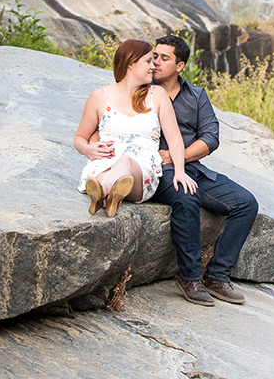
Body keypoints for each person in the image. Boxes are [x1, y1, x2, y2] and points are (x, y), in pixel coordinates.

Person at [150, 35, 259, 307]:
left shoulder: (196, 95)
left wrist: (178, 157)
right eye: (154, 56)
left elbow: (211, 138)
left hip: (190, 167)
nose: (156, 62)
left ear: (180, 66)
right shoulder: (143, 90)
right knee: (188, 197)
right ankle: (190, 279)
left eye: (165, 58)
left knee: (245, 203)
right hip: (157, 171)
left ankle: (217, 276)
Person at [74, 39, 197, 218]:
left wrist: (179, 172)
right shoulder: (100, 97)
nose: (153, 66)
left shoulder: (157, 95)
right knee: (105, 172)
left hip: (141, 169)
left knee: (125, 162)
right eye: (148, 61)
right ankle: (111, 194)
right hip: (104, 163)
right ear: (130, 64)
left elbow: (175, 139)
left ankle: (102, 193)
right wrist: (88, 149)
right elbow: (79, 138)